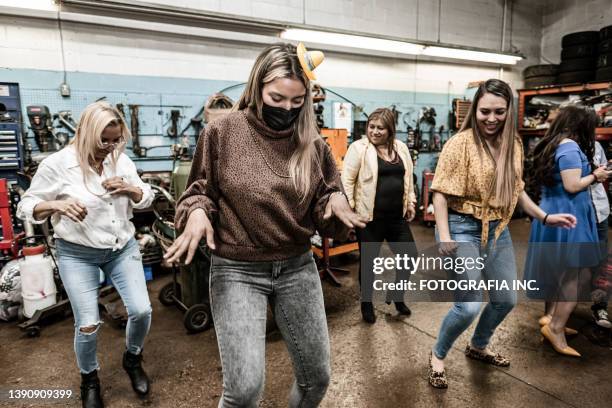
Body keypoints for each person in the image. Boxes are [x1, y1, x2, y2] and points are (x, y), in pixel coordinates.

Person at [164, 43, 366, 408]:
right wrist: (195, 212)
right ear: (257, 86)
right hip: (237, 270)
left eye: (296, 101)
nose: (287, 109)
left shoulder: (313, 145)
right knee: (243, 391)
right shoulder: (222, 133)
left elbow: (324, 201)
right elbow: (198, 192)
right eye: (277, 98)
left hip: (296, 267)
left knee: (316, 379)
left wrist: (335, 205)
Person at [427, 79, 575, 389]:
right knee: (468, 304)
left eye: (499, 112)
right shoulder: (460, 143)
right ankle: (437, 355)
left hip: (498, 229)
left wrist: (544, 216)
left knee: (505, 299)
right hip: (462, 227)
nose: (491, 119)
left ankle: (478, 345)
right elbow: (439, 193)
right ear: (474, 110)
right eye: (484, 112)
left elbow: (516, 189)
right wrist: (443, 234)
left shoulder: (514, 144)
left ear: (509, 111)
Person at [17, 101, 154, 408]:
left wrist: (131, 190)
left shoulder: (121, 160)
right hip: (77, 253)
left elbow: (147, 197)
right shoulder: (57, 164)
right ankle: (89, 378)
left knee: (142, 311)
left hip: (121, 248)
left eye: (115, 140)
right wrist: (55, 205)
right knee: (89, 323)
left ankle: (132, 359)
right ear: (84, 133)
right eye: (102, 140)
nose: (109, 147)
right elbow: (25, 206)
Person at [525, 106, 610, 357]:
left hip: (555, 211)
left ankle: (552, 320)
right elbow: (572, 185)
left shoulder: (551, 144)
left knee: (562, 273)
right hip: (569, 216)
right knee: (576, 277)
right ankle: (556, 327)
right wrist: (596, 175)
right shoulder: (571, 147)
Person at [342, 107, 417, 323]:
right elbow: (347, 181)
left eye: (380, 128)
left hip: (396, 218)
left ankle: (397, 294)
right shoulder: (359, 148)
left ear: (390, 130)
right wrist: (350, 212)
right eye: (371, 127)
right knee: (369, 264)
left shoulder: (401, 149)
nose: (374, 132)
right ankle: (366, 303)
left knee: (409, 257)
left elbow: (408, 178)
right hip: (369, 219)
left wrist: (410, 201)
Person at [589, 141, 611, 329]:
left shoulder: (596, 146)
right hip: (576, 215)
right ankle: (559, 313)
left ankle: (599, 306)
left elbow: (603, 173)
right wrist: (593, 175)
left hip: (600, 211)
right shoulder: (563, 146)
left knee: (601, 262)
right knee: (570, 264)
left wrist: (604, 171)